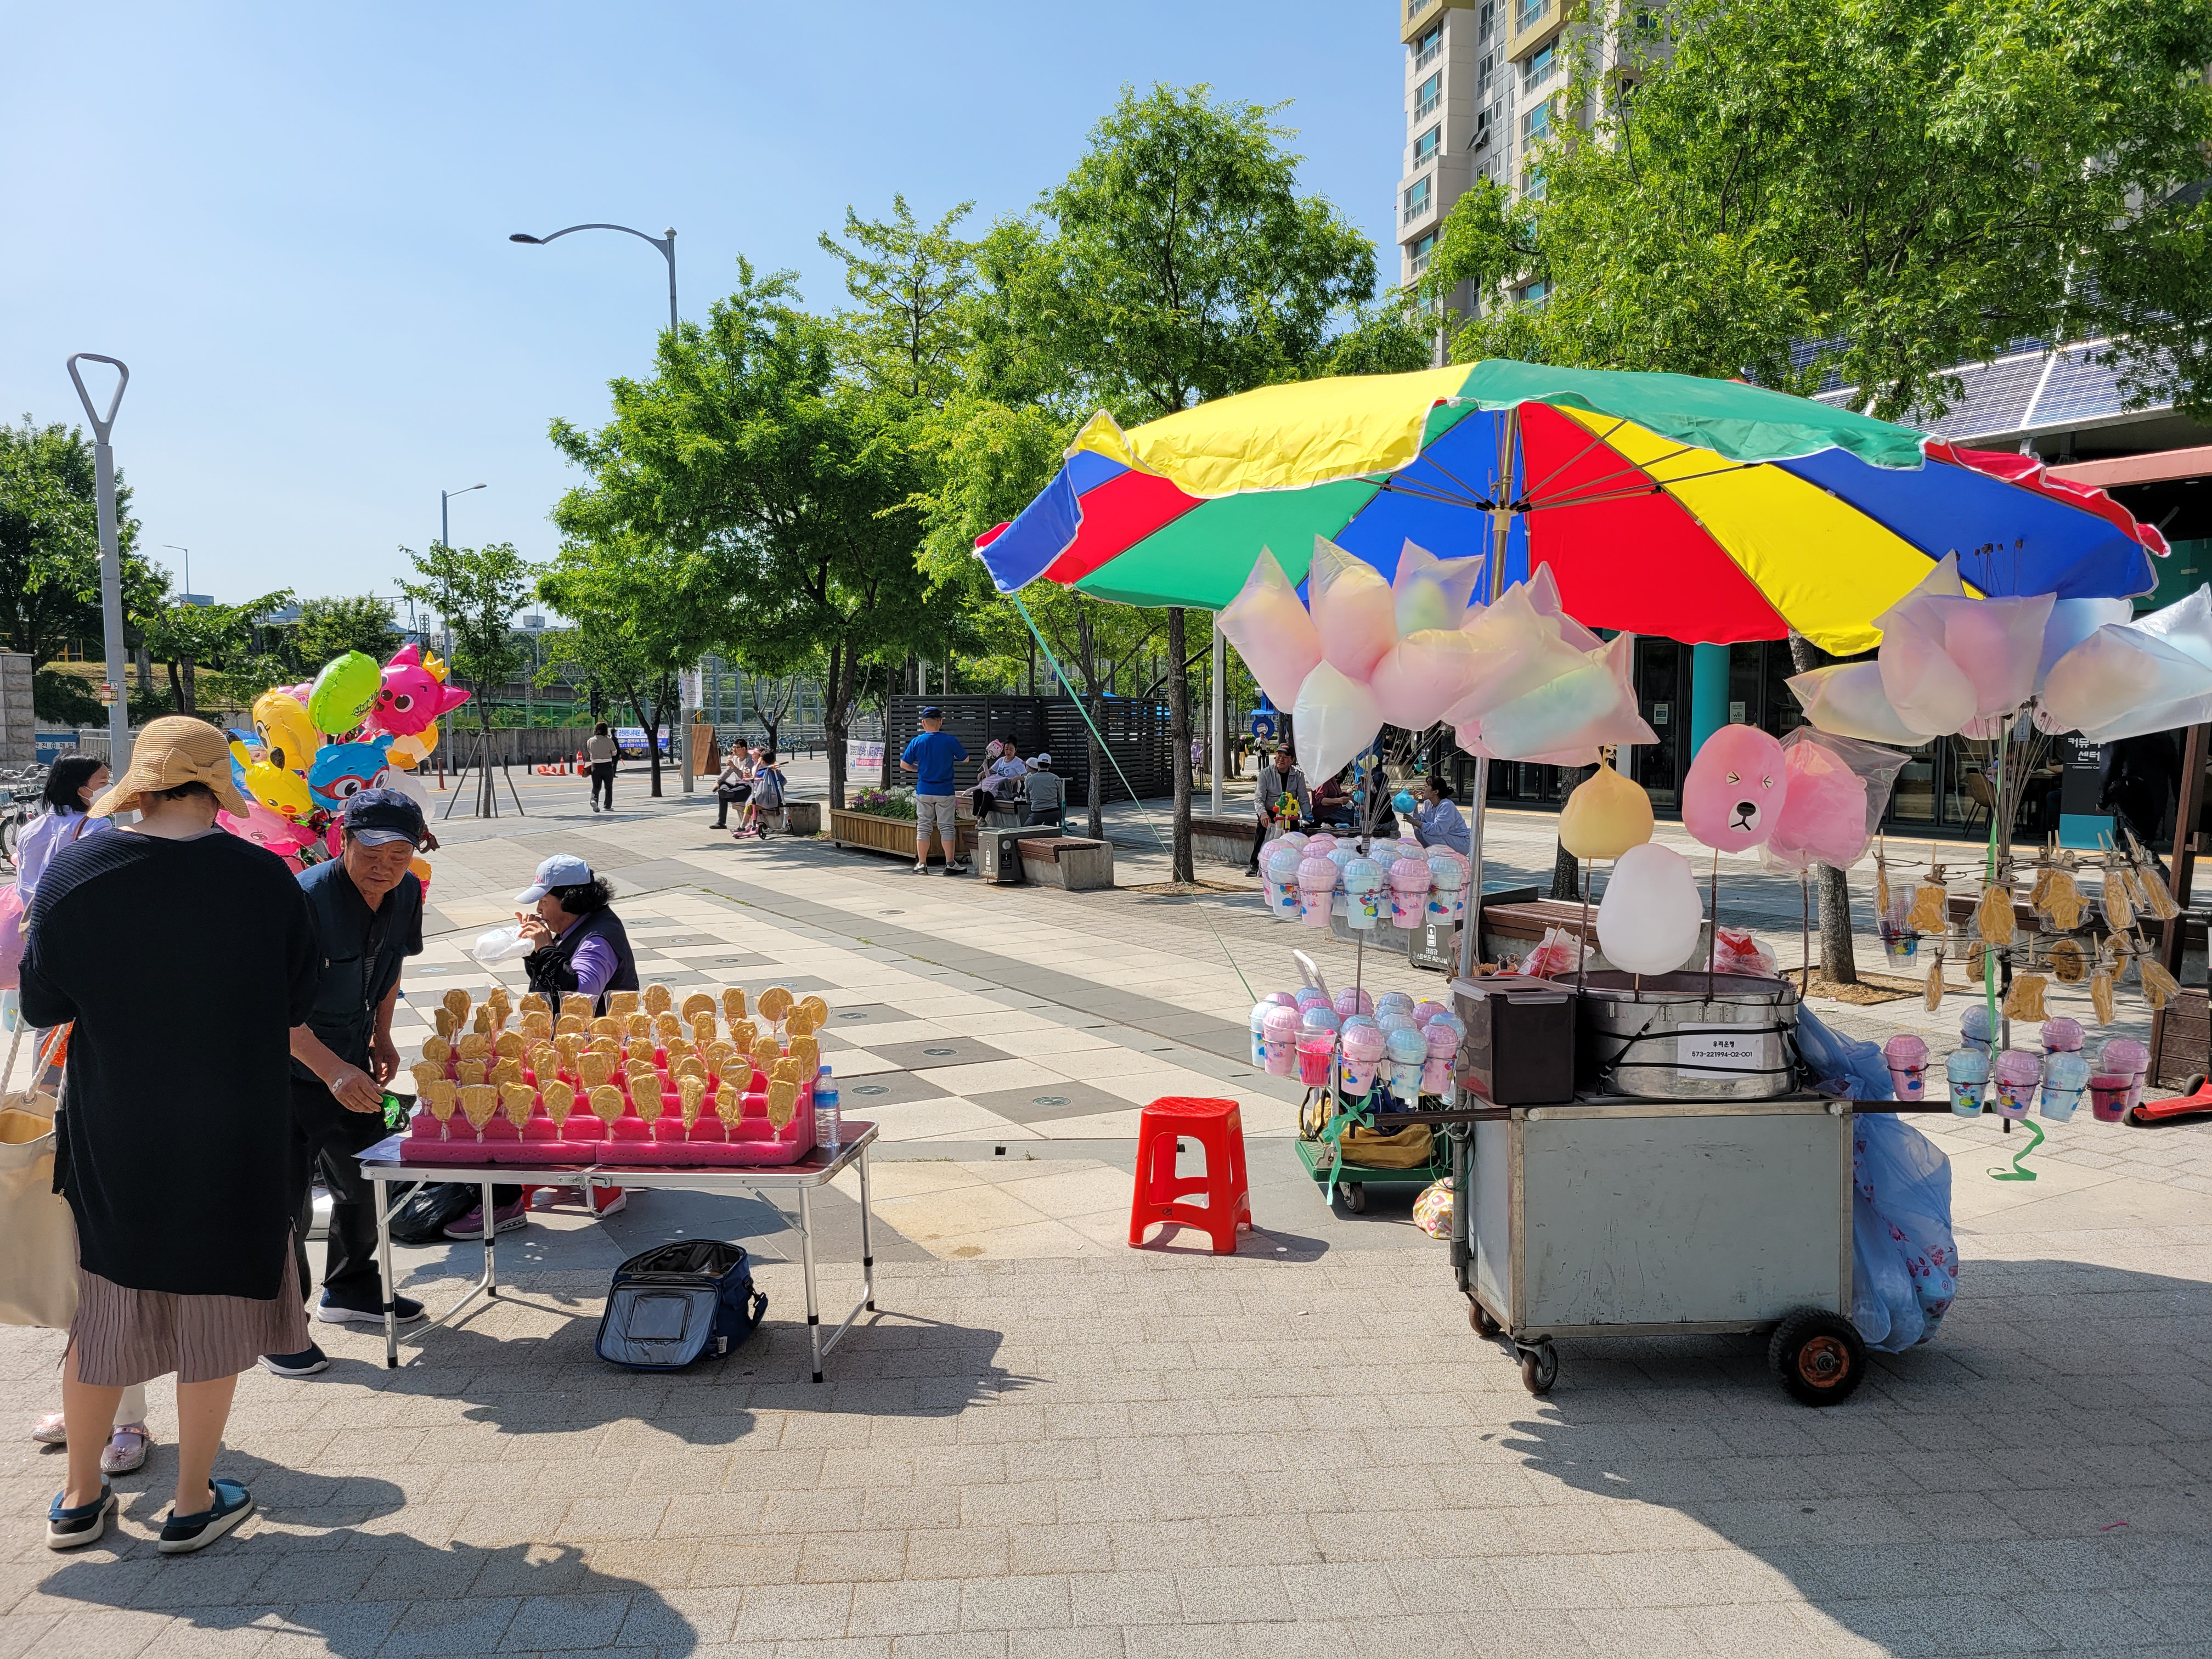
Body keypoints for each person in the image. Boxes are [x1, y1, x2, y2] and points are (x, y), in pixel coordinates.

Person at [19, 716, 318, 1554]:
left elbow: (40, 1005)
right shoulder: (265, 878)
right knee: (214, 1312)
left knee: (105, 1311)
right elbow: (296, 1001)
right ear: (218, 788)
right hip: (235, 1130)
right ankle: (192, 1503)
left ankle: (79, 1499)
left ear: (142, 785)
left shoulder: (77, 871)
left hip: (116, 1129)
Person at [260, 789, 431, 1381]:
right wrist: (330, 1069)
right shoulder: (301, 900)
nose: (385, 866)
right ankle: (280, 1326)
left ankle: (352, 1287)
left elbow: (392, 967)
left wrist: (382, 1036)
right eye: (372, 851)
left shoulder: (407, 892)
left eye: (399, 854)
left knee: (369, 1175)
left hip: (354, 1062)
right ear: (343, 841)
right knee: (285, 1204)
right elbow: (271, 1006)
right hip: (287, 1070)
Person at [19, 755, 146, 1471]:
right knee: (78, 1265)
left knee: (107, 1268)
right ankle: (92, 1406)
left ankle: (125, 1418)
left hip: (127, 1113)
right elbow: (40, 998)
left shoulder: (96, 857)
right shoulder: (68, 851)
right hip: (74, 1098)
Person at [472, 854, 640, 1235]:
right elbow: (551, 983)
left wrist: (546, 949)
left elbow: (579, 996)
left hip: (594, 1049)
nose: (540, 909)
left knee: (585, 1111)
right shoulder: (575, 926)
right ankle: (558, 1169)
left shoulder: (597, 938)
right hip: (568, 1042)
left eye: (544, 900)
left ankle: (602, 1180)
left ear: (569, 900)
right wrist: (537, 948)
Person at [13, 754, 113, 902]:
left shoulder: (29, 830)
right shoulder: (97, 826)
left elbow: (23, 884)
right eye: (103, 782)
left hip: (34, 912)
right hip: (74, 911)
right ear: (81, 790)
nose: (110, 788)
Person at [900, 707, 969, 874]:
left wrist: (918, 769)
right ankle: (950, 864)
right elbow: (966, 759)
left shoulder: (917, 742)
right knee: (947, 827)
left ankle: (922, 864)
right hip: (945, 790)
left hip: (924, 789)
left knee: (924, 827)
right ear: (940, 722)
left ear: (923, 723)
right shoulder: (950, 741)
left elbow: (904, 764)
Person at [1246, 748, 1311, 876]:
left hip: (1289, 812)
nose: (1281, 759)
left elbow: (1303, 798)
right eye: (1279, 755)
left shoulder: (1298, 775)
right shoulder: (1266, 773)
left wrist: (1308, 817)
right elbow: (1259, 798)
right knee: (1263, 828)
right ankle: (1255, 864)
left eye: (1286, 757)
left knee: (1295, 834)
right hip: (1271, 811)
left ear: (1292, 760)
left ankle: (1293, 864)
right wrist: (1262, 813)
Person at [1410, 775, 1472, 857]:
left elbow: (1439, 830)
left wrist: (1415, 822)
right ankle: (1429, 854)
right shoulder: (1428, 803)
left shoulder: (1447, 805)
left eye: (1426, 787)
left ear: (1436, 792)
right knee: (1418, 829)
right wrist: (1415, 804)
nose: (1423, 789)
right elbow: (1420, 822)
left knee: (1429, 833)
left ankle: (1445, 857)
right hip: (1446, 838)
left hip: (1461, 843)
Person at [968, 741, 1027, 822]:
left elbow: (1026, 776)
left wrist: (1017, 778)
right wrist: (984, 772)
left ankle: (982, 820)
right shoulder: (1001, 760)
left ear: (1015, 750)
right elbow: (991, 771)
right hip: (994, 786)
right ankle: (977, 818)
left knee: (988, 794)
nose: (1008, 752)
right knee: (977, 793)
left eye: (1011, 750)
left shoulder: (1019, 762)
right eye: (1006, 749)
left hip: (1005, 789)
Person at [746, 750, 788, 838]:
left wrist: (758, 764)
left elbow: (754, 777)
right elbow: (784, 782)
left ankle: (744, 825)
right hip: (779, 798)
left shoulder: (764, 772)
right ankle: (754, 824)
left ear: (762, 760)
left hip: (768, 800)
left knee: (751, 805)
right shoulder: (776, 772)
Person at [712, 747, 753, 830]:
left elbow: (745, 778)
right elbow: (727, 772)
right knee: (722, 785)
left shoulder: (749, 760)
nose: (734, 750)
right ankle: (721, 823)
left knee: (723, 795)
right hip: (737, 786)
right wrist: (717, 782)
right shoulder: (735, 758)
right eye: (733, 747)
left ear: (743, 749)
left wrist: (734, 767)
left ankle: (727, 793)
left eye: (736, 747)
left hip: (746, 787)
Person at [584, 721, 619, 812]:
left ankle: (594, 800)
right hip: (607, 765)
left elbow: (589, 751)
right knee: (608, 787)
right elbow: (615, 752)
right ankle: (607, 806)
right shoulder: (609, 741)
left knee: (596, 787)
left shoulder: (590, 741)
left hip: (595, 766)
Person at [1023, 753, 1064, 829]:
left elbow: (1028, 800)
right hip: (1054, 813)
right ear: (1049, 766)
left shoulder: (1029, 779)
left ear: (1038, 764)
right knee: (1051, 825)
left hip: (1037, 814)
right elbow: (1060, 799)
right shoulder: (1056, 778)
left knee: (1026, 828)